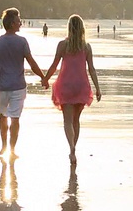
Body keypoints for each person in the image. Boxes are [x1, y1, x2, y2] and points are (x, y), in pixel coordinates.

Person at [43, 14, 102, 164]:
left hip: (66, 85)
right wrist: (98, 88)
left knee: (67, 121)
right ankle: (73, 147)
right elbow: (92, 69)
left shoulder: (63, 45)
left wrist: (46, 78)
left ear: (69, 27)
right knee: (76, 120)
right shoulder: (86, 47)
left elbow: (54, 66)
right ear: (82, 28)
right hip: (81, 85)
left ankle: (71, 148)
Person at [0, 7, 45, 158]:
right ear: (12, 23)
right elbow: (32, 63)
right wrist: (43, 77)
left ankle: (4, 146)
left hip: (2, 86)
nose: (20, 23)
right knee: (15, 118)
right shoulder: (22, 42)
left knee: (2, 116)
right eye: (19, 21)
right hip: (18, 86)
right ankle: (12, 149)